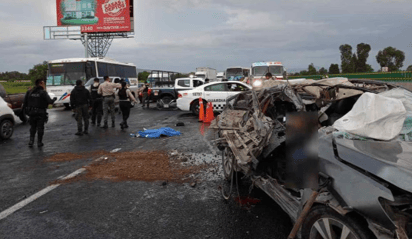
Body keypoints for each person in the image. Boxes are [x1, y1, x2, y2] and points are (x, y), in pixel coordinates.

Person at [23, 79, 57, 147]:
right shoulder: (43, 92)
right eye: (43, 83)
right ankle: (39, 142)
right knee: (40, 127)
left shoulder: (30, 92)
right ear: (41, 83)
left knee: (33, 127)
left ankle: (31, 141)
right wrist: (54, 99)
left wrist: (26, 112)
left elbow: (25, 103)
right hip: (41, 112)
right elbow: (49, 101)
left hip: (32, 112)